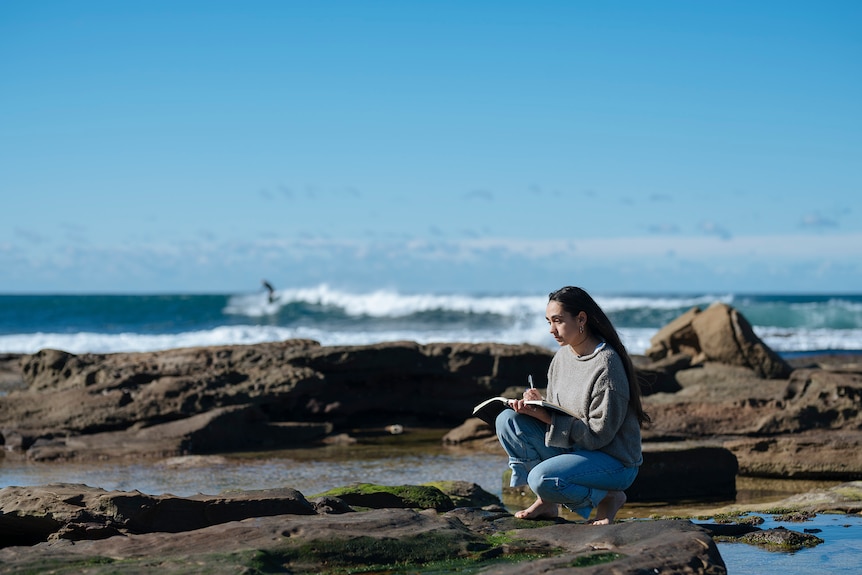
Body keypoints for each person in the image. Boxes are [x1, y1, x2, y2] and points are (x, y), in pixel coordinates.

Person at [495, 286, 650, 524]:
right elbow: (564, 408)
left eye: (558, 321)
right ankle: (547, 503)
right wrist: (539, 403)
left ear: (581, 319)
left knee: (542, 479)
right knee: (508, 421)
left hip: (613, 462)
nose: (551, 330)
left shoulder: (607, 366)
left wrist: (546, 418)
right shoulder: (562, 356)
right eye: (548, 321)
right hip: (577, 450)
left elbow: (598, 436)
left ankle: (608, 497)